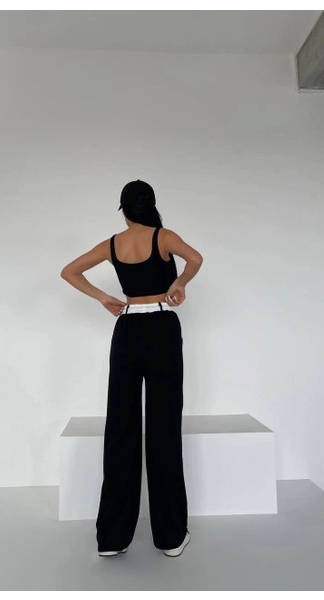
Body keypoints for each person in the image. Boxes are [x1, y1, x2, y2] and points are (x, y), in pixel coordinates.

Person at [60, 179, 203, 557]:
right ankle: (171, 538)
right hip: (161, 328)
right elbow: (196, 259)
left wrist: (104, 297)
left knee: (121, 426)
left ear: (123, 210)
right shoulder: (164, 236)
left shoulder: (112, 244)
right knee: (163, 425)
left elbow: (69, 271)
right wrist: (179, 283)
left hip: (127, 331)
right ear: (151, 205)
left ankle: (112, 539)